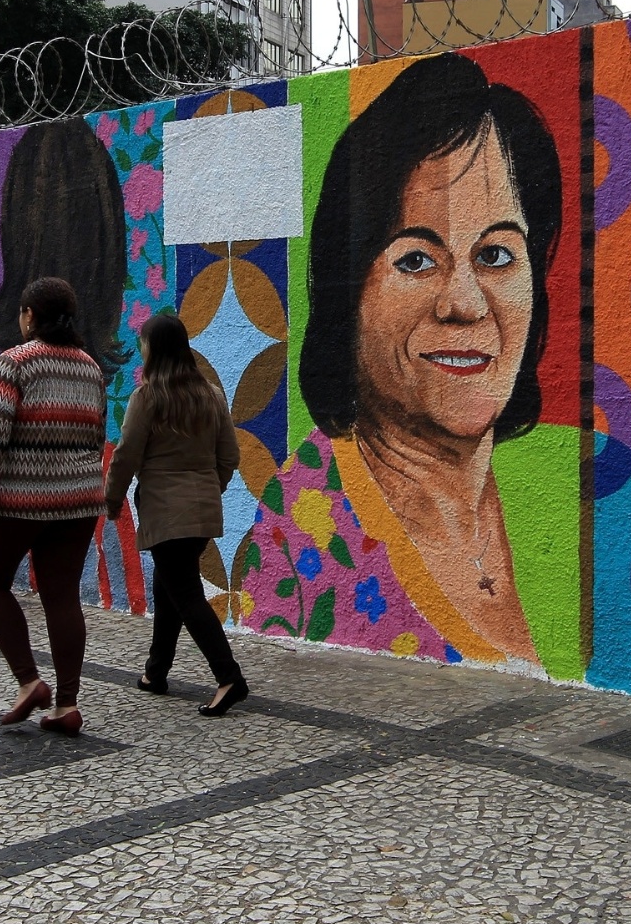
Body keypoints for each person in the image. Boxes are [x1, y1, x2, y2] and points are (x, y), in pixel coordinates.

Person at [235, 52, 564, 666]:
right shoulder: (305, 534)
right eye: (415, 259)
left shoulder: (599, 491)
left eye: (496, 255)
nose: (465, 303)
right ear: (348, 293)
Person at [0, 277, 108, 735]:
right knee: (62, 596)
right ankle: (66, 704)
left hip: (20, 500)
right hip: (79, 500)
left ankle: (29, 682)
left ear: (29, 316)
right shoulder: (91, 368)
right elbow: (97, 437)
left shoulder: (14, 363)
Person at [106, 312, 249, 717]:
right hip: (202, 509)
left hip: (166, 511)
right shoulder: (211, 394)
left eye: (144, 345)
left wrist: (113, 499)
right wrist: (209, 488)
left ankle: (229, 676)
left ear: (154, 350)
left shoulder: (148, 396)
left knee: (184, 593)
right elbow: (230, 456)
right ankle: (156, 671)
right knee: (168, 587)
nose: (141, 351)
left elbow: (126, 455)